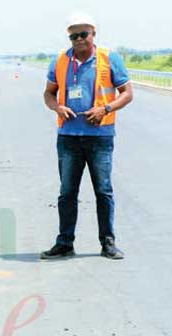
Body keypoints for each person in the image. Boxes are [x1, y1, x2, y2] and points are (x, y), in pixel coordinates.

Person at [41, 13, 134, 260]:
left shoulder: (109, 58)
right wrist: (57, 107)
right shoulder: (60, 61)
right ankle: (64, 243)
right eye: (74, 36)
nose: (79, 40)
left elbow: (127, 93)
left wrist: (105, 109)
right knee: (67, 192)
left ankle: (108, 243)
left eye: (84, 34)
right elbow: (49, 94)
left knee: (103, 191)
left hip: (100, 137)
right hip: (68, 137)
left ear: (93, 34)